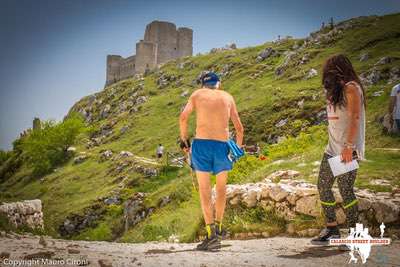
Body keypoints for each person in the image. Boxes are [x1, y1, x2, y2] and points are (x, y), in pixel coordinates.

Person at [179, 72, 244, 251]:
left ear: (203, 85)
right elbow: (239, 129)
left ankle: (211, 235)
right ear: (219, 84)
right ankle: (220, 228)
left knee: (205, 191)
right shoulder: (228, 97)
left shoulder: (197, 95)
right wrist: (235, 152)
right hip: (223, 146)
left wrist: (184, 141)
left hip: (202, 146)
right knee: (221, 189)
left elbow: (183, 117)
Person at [311, 54, 366, 245]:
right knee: (323, 186)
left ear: (339, 69)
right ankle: (332, 229)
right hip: (332, 148)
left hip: (347, 149)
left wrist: (349, 147)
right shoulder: (335, 90)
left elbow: (355, 118)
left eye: (330, 68)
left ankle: (356, 235)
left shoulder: (352, 87)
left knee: (345, 189)